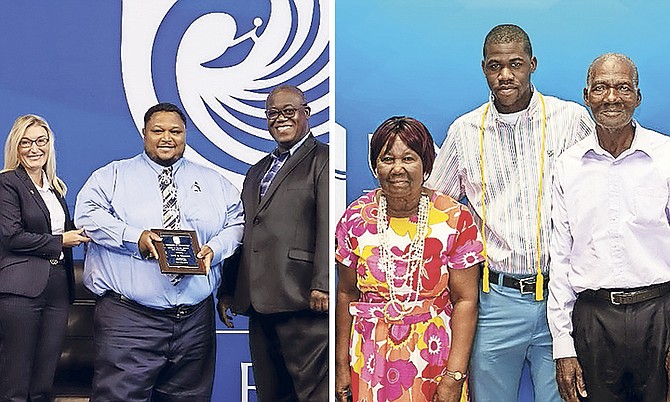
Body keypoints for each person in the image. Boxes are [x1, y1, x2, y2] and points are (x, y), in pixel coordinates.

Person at [426, 24, 595, 401]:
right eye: (494, 66)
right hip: (495, 300)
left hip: (562, 297)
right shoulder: (465, 131)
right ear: (484, 69)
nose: (505, 75)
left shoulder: (571, 120)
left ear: (532, 64)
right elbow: (436, 211)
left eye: (515, 64)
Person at [74, 102, 244, 401]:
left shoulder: (215, 182)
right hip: (129, 319)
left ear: (185, 135)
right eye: (158, 130)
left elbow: (237, 223)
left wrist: (214, 250)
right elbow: (87, 217)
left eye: (175, 131)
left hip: (194, 322)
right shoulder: (111, 177)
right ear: (144, 134)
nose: (167, 137)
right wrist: (134, 237)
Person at [548, 53, 670, 402]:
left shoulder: (666, 157)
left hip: (660, 316)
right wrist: (562, 346)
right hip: (593, 321)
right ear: (586, 96)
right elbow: (560, 259)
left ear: (638, 96)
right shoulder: (568, 166)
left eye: (622, 88)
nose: (612, 98)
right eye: (601, 88)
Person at [335, 116, 483, 402]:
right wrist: (341, 366)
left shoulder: (454, 218)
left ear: (426, 164)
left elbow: (465, 301)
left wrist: (454, 376)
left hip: (434, 357)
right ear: (375, 166)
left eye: (409, 158)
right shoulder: (355, 218)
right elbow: (346, 294)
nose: (398, 168)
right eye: (387, 158)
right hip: (368, 358)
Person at [217, 85, 328, 402]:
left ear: (305, 114)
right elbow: (242, 230)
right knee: (271, 394)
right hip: (257, 301)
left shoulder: (323, 158)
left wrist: (322, 283)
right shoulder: (257, 171)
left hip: (303, 298)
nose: (280, 119)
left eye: (289, 111)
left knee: (313, 395)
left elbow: (326, 221)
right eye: (273, 113)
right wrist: (228, 289)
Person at [0, 115, 90, 401]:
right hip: (21, 290)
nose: (34, 148)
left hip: (58, 288)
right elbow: (11, 237)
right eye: (25, 142)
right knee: (15, 376)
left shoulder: (55, 187)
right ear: (16, 147)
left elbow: (65, 228)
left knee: (45, 377)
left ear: (50, 144)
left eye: (41, 141)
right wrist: (62, 240)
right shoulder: (7, 183)